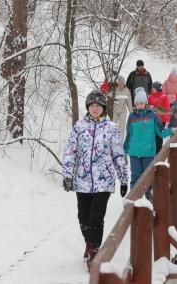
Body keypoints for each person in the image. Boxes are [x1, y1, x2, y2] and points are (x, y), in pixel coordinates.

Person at [62, 90, 128, 271]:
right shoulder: (79, 126)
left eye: (98, 105)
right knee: (83, 217)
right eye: (92, 105)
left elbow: (118, 155)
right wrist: (67, 175)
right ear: (88, 107)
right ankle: (88, 241)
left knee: (96, 217)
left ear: (104, 107)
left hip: (104, 181)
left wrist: (123, 179)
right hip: (82, 181)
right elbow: (70, 152)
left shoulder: (112, 128)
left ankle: (94, 251)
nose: (95, 108)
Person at [123, 87, 177, 201]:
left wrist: (171, 130)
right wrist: (125, 151)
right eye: (137, 103)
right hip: (134, 153)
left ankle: (148, 198)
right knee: (135, 177)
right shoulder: (132, 117)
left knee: (148, 177)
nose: (139, 105)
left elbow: (161, 132)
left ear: (146, 103)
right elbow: (129, 135)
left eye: (141, 103)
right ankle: (133, 200)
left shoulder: (152, 116)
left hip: (148, 152)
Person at [147, 81, 171, 154]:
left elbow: (167, 109)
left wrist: (167, 121)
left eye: (153, 88)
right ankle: (151, 152)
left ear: (157, 88)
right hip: (151, 120)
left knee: (159, 137)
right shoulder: (150, 96)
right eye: (152, 88)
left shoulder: (164, 97)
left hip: (161, 121)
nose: (152, 89)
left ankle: (158, 154)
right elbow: (147, 107)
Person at [112, 75, 133, 140]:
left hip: (123, 111)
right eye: (120, 83)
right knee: (113, 125)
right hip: (114, 110)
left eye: (122, 83)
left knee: (122, 127)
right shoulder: (114, 90)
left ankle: (121, 141)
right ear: (117, 83)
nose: (121, 84)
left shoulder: (126, 91)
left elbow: (129, 102)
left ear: (124, 83)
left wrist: (131, 112)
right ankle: (112, 139)